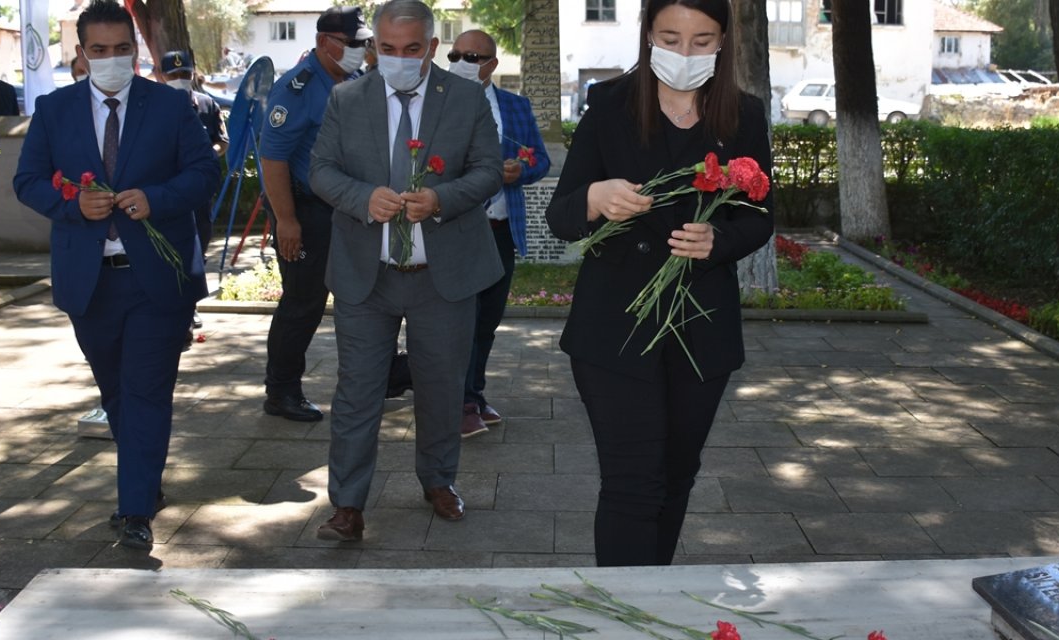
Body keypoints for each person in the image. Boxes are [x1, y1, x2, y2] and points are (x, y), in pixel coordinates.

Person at [544, 0, 773, 567]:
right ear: (647, 35)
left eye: (701, 41)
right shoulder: (610, 104)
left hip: (702, 329)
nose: (684, 54)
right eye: (670, 38)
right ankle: (626, 614)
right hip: (615, 326)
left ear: (723, 42)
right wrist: (595, 200)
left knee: (675, 477)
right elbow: (562, 212)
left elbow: (759, 216)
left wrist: (718, 243)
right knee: (631, 482)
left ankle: (655, 601)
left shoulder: (743, 114)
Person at [13, 0, 218, 551]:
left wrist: (156, 198)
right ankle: (144, 482)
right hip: (89, 282)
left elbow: (205, 172)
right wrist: (75, 205)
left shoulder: (170, 107)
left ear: (136, 50)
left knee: (146, 390)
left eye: (121, 49)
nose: (110, 60)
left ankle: (134, 513)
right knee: (117, 394)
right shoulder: (55, 110)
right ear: (81, 54)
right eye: (98, 51)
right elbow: (27, 181)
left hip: (157, 279)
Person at [308, 0, 503, 541]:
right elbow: (320, 170)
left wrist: (441, 198)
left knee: (442, 386)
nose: (397, 59)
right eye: (386, 49)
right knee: (357, 391)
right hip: (364, 276)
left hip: (444, 276)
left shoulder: (464, 98)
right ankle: (347, 506)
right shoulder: (347, 98)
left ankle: (439, 482)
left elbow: (489, 169)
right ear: (374, 47)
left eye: (411, 50)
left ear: (432, 48)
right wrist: (361, 197)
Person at [257, 6, 371, 423]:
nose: (362, 51)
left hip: (347, 209)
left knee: (364, 294)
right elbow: (273, 160)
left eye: (364, 43)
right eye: (354, 44)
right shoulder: (297, 88)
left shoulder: (352, 80)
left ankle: (383, 374)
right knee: (303, 303)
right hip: (306, 210)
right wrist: (286, 221)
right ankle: (281, 391)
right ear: (326, 42)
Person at [446, 29, 550, 438]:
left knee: (487, 321)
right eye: (456, 54)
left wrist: (519, 170)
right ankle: (459, 403)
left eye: (471, 56)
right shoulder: (436, 101)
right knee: (462, 322)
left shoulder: (515, 106)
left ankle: (475, 393)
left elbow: (540, 159)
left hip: (501, 228)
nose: (461, 61)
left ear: (491, 63)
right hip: (456, 229)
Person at [159, 49, 226, 336]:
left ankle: (190, 304)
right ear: (162, 77)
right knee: (170, 252)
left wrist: (202, 156)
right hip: (165, 195)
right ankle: (178, 309)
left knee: (198, 247)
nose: (179, 79)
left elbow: (221, 142)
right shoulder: (151, 107)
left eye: (184, 74)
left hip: (197, 195)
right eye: (173, 75)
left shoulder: (206, 104)